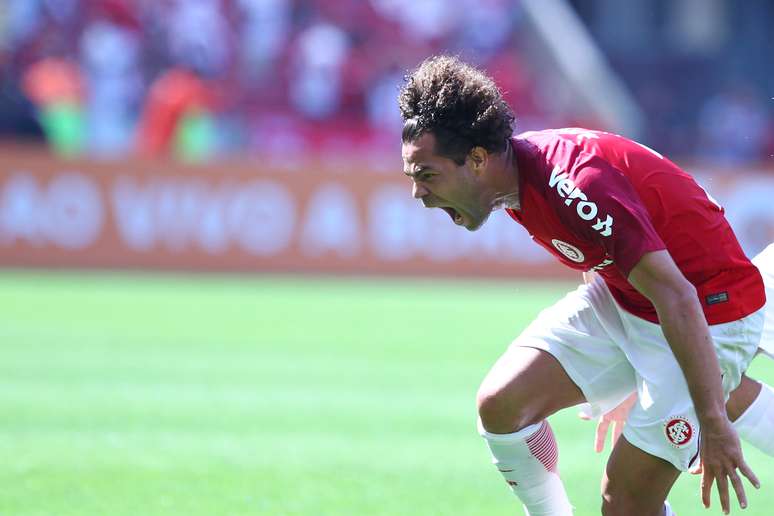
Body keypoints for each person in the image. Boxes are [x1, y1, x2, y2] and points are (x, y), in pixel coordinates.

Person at [397, 55, 773, 516]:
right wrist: (624, 370)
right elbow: (602, 252)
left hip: (710, 313)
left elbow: (677, 294)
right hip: (635, 301)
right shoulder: (516, 179)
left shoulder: (572, 184)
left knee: (625, 503)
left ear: (476, 159)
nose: (419, 194)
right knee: (502, 405)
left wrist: (713, 424)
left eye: (427, 175)